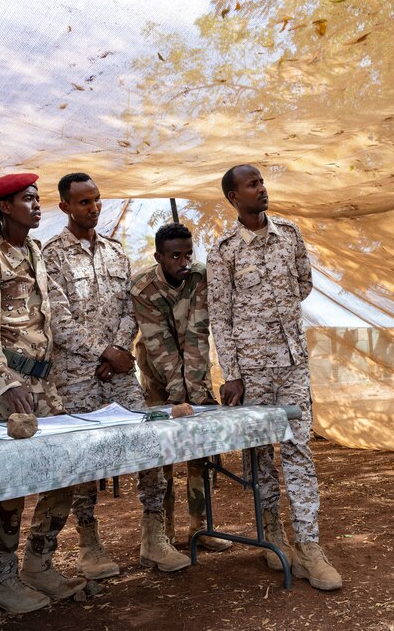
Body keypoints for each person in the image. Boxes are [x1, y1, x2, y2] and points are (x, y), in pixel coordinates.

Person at [43, 172, 189, 577]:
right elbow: (57, 317)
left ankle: (153, 538)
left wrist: (121, 351)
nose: (93, 208)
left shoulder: (115, 252)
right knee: (83, 459)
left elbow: (131, 308)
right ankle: (90, 546)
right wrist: (102, 351)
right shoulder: (51, 255)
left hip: (120, 373)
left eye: (97, 200)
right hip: (75, 375)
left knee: (148, 447)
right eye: (84, 202)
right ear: (65, 207)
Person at [208, 164, 342, 591]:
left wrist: (273, 313)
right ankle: (272, 537)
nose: (261, 189)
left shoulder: (289, 233)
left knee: (300, 450)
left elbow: (303, 283)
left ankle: (309, 546)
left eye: (262, 182)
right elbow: (220, 317)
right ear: (234, 197)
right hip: (250, 373)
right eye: (252, 185)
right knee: (261, 457)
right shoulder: (223, 250)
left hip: (291, 364)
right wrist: (231, 373)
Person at [0, 173, 86, 614]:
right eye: (26, 199)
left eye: (37, 198)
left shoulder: (35, 252)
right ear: (4, 208)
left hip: (44, 383)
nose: (36, 205)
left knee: (67, 470)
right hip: (8, 388)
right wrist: (4, 383)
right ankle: (1, 578)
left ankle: (39, 562)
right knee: (8, 484)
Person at [131, 222, 231, 553]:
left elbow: (198, 336)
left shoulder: (200, 277)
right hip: (158, 380)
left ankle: (201, 528)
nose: (184, 262)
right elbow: (158, 346)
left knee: (198, 452)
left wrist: (198, 394)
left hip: (196, 372)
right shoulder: (143, 288)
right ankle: (164, 532)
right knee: (161, 457)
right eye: (175, 256)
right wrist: (177, 397)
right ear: (159, 256)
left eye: (189, 253)